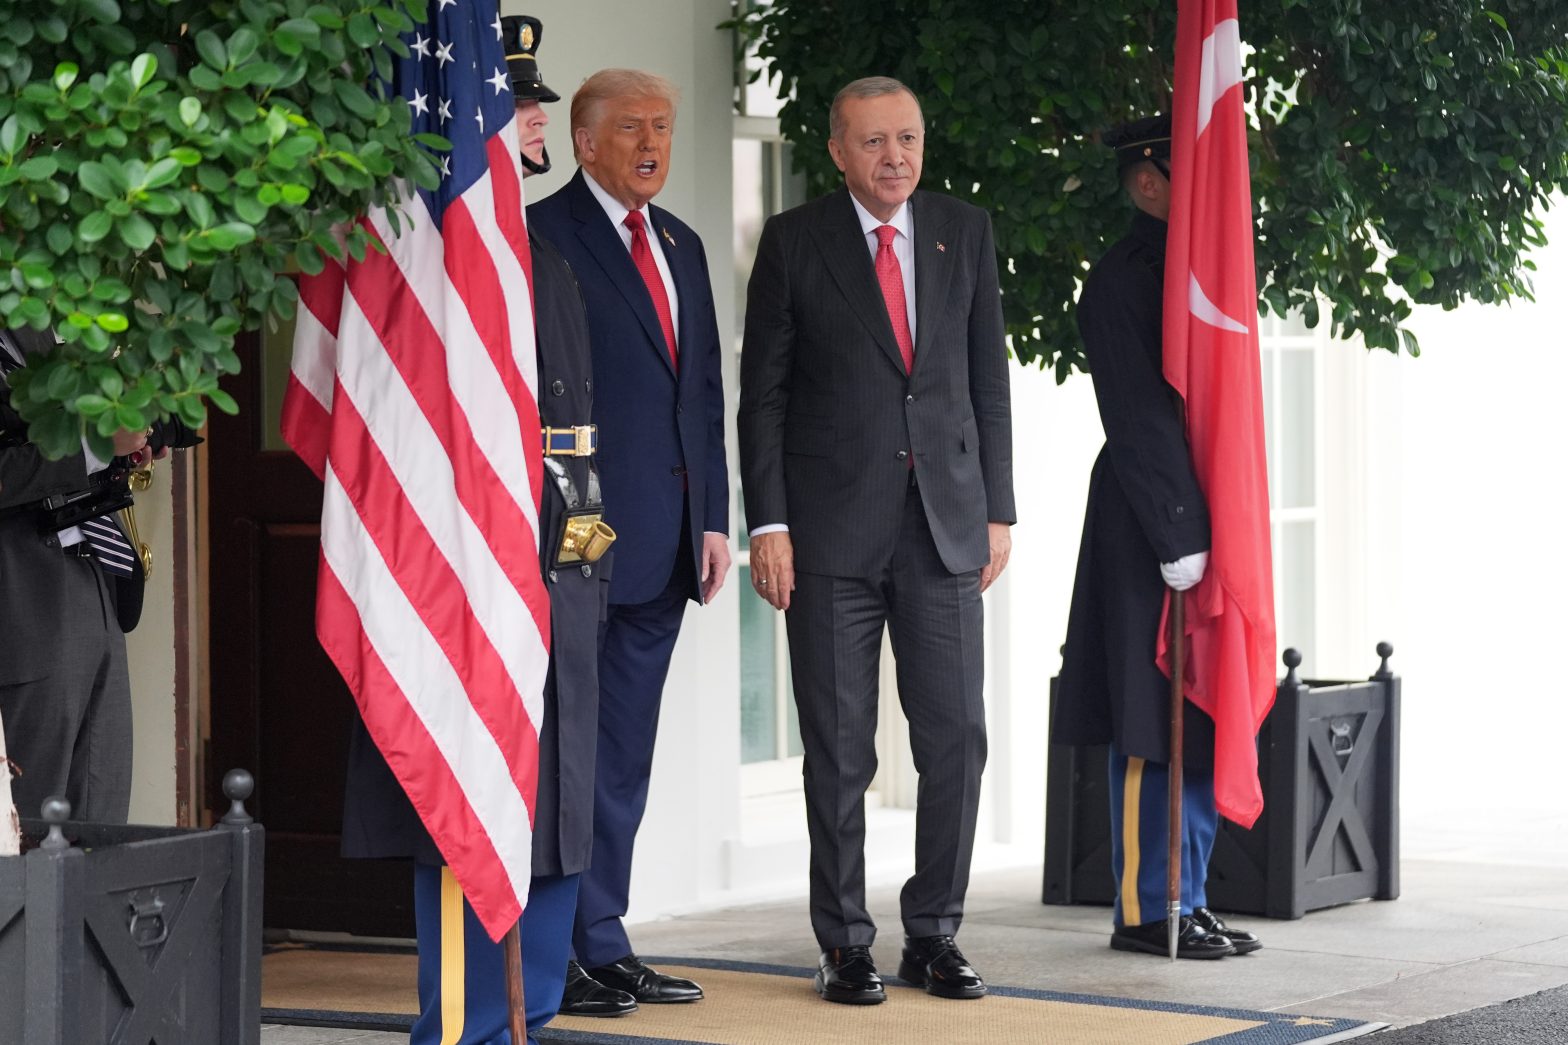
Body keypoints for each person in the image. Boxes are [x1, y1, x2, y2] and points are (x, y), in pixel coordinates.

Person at [336, 17, 611, 1043]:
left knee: (553, 815)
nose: (527, 117)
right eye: (513, 102)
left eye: (528, 104)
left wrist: (583, 551)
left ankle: (524, 1017)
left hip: (558, 565)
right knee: (475, 804)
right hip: (466, 572)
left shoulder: (548, 262)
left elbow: (577, 447)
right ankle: (464, 1031)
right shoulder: (441, 268)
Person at [737, 76, 1015, 1005]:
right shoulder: (792, 241)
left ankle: (933, 932)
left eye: (907, 138)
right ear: (837, 151)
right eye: (874, 142)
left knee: (958, 742)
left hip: (943, 529)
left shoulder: (962, 230)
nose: (895, 156)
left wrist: (998, 510)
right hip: (826, 537)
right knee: (839, 750)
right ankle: (845, 941)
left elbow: (988, 383)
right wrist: (767, 523)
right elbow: (763, 396)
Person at [529, 68, 729, 1015]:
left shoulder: (684, 244)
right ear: (584, 142)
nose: (654, 142)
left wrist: (716, 520)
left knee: (621, 755)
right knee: (559, 754)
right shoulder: (538, 239)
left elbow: (702, 398)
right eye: (634, 127)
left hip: (665, 547)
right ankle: (548, 951)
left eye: (665, 125)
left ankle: (602, 939)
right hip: (570, 547)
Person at [1050, 114, 1262, 960]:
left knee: (1205, 699)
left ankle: (1192, 890)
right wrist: (1181, 527)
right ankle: (1149, 904)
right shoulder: (1123, 279)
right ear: (1147, 183)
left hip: (1207, 506)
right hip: (1153, 516)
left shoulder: (1198, 273)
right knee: (1153, 710)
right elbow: (1139, 415)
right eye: (1190, 175)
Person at [1, 325, 149, 826]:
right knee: (34, 821)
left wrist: (119, 449)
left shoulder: (32, 323)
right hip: (22, 590)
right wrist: (94, 446)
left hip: (93, 566)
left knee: (101, 802)